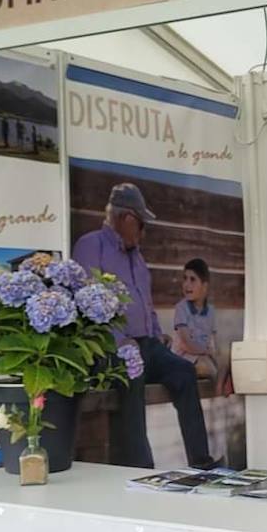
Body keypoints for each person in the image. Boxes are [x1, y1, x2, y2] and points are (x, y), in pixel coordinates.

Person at [72, 182, 219, 471]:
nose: (143, 232)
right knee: (132, 372)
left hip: (145, 344)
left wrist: (156, 334)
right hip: (109, 348)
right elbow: (84, 302)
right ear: (127, 219)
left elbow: (146, 305)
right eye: (141, 224)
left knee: (184, 372)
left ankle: (201, 463)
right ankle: (139, 468)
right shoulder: (91, 246)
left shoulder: (137, 257)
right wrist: (118, 340)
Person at [172, 258, 219, 381]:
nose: (187, 284)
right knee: (206, 367)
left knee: (223, 364)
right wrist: (205, 352)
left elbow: (212, 343)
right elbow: (186, 343)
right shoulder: (181, 308)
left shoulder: (210, 311)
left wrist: (214, 357)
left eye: (192, 279)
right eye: (185, 278)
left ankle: (221, 387)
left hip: (202, 356)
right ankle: (218, 388)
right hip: (182, 358)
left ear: (204, 286)